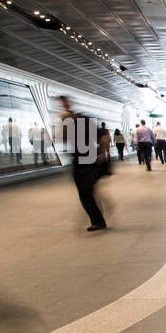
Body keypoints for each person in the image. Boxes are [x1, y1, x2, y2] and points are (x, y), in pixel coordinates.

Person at [62, 95, 107, 232]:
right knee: (84, 194)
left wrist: (102, 154)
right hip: (77, 162)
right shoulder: (67, 122)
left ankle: (98, 221)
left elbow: (103, 135)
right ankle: (98, 218)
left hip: (89, 160)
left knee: (86, 192)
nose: (66, 108)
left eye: (66, 105)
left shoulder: (85, 120)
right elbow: (64, 139)